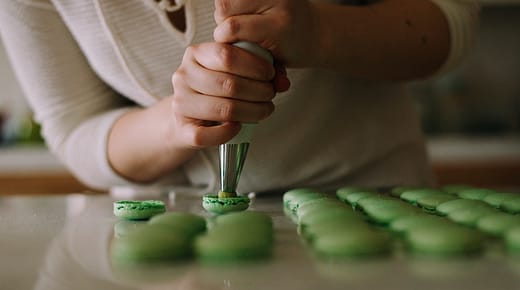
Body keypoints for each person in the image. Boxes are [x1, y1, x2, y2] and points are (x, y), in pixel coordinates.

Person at [0, 0, 479, 194]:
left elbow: (451, 21)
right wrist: (178, 121)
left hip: (372, 205)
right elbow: (73, 129)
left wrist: (320, 33)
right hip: (170, 247)